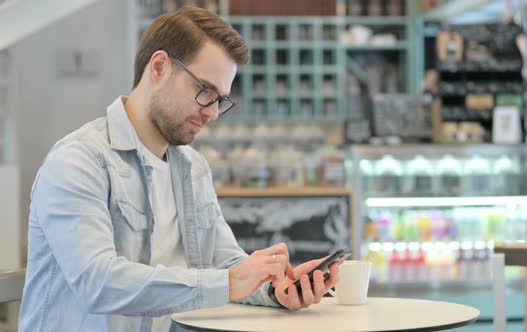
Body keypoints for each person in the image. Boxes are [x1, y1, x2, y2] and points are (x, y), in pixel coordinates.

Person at [18, 7, 341, 332]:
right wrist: (230, 281)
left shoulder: (192, 167)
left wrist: (275, 288)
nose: (213, 113)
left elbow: (225, 262)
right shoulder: (79, 161)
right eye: (205, 91)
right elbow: (98, 283)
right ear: (159, 67)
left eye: (221, 100)